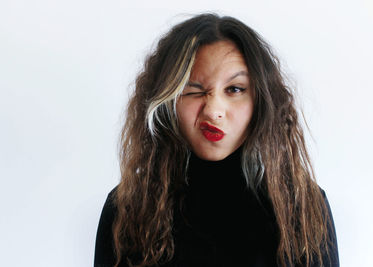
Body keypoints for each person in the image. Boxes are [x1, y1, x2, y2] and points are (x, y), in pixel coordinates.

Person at [94, 13, 339, 267]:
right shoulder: (127, 209)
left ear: (261, 101)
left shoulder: (303, 207)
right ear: (168, 101)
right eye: (194, 90)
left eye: (234, 89)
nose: (213, 110)